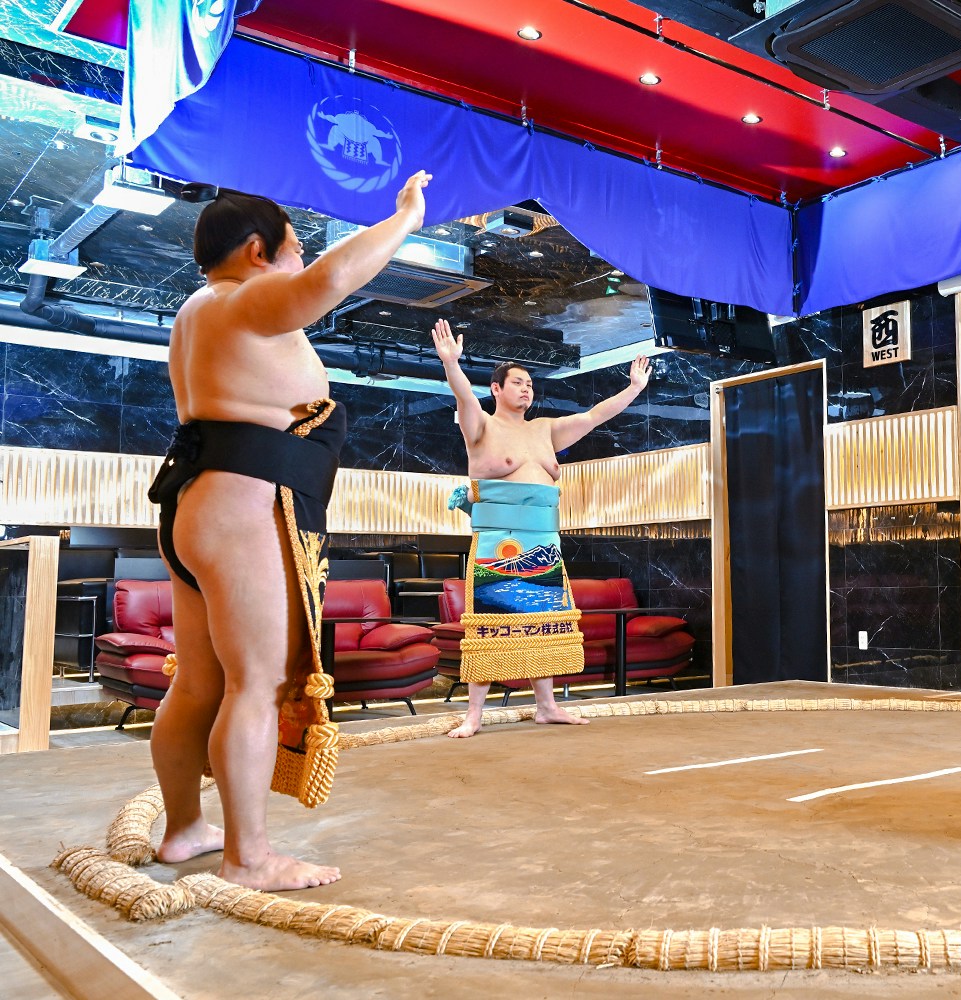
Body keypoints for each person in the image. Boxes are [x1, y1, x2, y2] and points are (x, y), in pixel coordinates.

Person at [148, 172, 433, 890]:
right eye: (293, 251)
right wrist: (405, 219)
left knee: (199, 685)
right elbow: (335, 277)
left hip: (196, 506)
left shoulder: (197, 311)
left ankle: (185, 829)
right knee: (255, 683)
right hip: (243, 506)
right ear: (255, 251)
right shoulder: (244, 299)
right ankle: (250, 859)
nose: (302, 265)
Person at [431, 319, 652, 738]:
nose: (526, 388)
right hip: (499, 541)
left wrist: (634, 389)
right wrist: (450, 364)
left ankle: (547, 706)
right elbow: (462, 396)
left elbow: (594, 416)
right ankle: (473, 715)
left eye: (530, 382)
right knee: (491, 625)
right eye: (517, 382)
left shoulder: (546, 429)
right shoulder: (480, 426)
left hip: (544, 542)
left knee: (545, 621)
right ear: (497, 389)